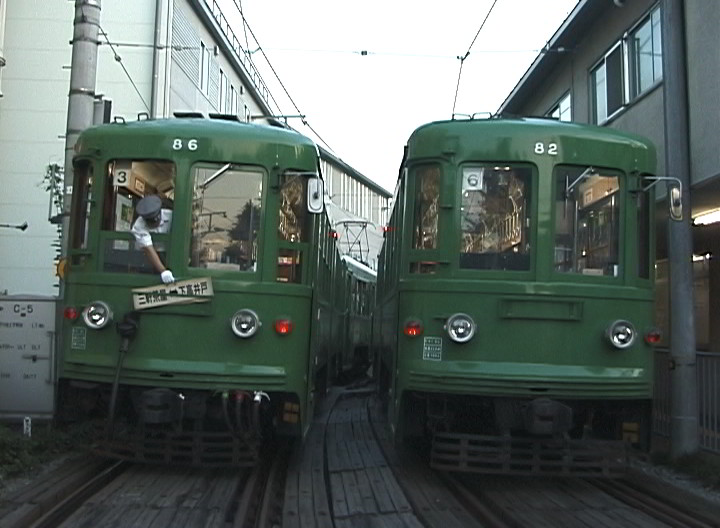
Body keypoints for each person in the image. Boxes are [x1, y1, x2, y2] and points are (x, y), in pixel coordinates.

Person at [131, 195, 175, 283]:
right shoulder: (138, 225)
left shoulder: (172, 216)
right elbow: (147, 248)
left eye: (155, 221)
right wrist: (163, 271)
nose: (153, 225)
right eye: (150, 222)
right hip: (147, 258)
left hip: (169, 255)